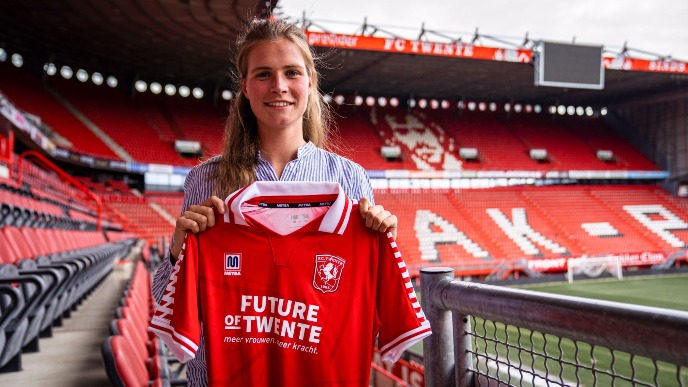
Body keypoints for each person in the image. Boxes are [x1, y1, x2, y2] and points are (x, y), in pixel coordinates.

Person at [152, 18, 398, 386]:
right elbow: (164, 301)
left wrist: (384, 242)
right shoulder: (205, 180)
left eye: (292, 72)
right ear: (246, 88)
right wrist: (177, 250)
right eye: (264, 74)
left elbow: (368, 306)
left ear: (311, 84)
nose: (279, 86)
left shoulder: (350, 179)